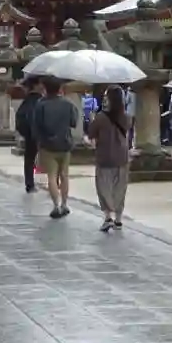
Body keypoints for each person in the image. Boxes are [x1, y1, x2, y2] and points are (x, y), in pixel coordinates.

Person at [32, 78, 78, 219]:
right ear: (60, 88)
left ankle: (56, 205)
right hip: (65, 143)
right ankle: (64, 204)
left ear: (45, 88)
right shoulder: (68, 104)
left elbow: (36, 126)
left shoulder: (41, 104)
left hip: (47, 145)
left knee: (51, 176)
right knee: (64, 175)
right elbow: (73, 122)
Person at [87, 86, 131, 232]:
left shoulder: (100, 118)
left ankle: (108, 218)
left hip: (104, 157)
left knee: (104, 187)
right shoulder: (126, 117)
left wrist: (92, 120)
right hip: (122, 157)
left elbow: (91, 135)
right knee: (120, 188)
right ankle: (118, 219)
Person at [16, 80, 44, 193]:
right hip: (42, 135)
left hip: (30, 136)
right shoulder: (41, 101)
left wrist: (26, 133)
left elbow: (19, 119)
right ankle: (53, 184)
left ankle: (30, 183)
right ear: (36, 86)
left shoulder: (26, 102)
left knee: (29, 160)